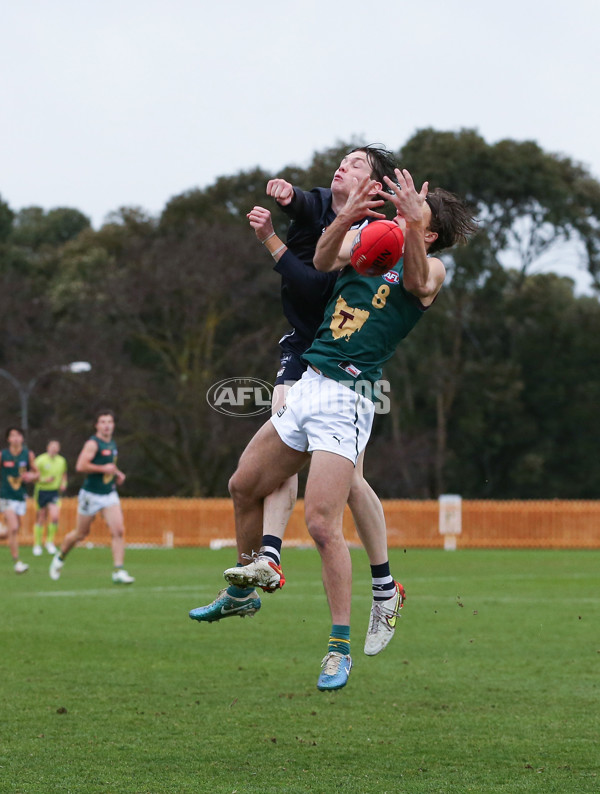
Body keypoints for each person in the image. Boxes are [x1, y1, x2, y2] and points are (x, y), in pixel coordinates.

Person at [194, 168, 476, 690]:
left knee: (323, 524)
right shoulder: (367, 236)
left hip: (350, 398)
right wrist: (346, 217)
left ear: (430, 232)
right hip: (309, 382)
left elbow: (416, 284)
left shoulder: (431, 267)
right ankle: (244, 589)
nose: (399, 214)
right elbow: (322, 260)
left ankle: (338, 649)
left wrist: (412, 226)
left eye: (415, 213)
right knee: (242, 486)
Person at [191, 147, 405, 656]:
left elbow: (311, 285)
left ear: (374, 186)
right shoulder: (330, 205)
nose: (341, 167)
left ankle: (378, 589)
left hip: (342, 373)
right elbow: (310, 203)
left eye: (355, 164)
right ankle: (261, 564)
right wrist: (289, 200)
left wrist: (269, 238)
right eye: (343, 160)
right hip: (304, 356)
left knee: (342, 491)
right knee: (257, 473)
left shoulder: (376, 236)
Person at [49, 410, 134, 584]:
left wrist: (117, 474)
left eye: (109, 421)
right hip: (91, 496)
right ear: (97, 425)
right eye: (103, 422)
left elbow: (108, 466)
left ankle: (118, 571)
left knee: (118, 531)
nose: (107, 425)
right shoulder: (92, 444)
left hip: (109, 494)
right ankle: (60, 557)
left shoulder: (112, 444)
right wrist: (105, 470)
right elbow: (81, 465)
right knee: (81, 533)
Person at [0, 427, 39, 573]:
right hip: (5, 496)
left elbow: (37, 474)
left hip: (19, 497)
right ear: (8, 439)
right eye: (12, 435)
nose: (15, 438)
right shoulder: (3, 455)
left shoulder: (28, 455)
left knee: (10, 532)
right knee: (14, 528)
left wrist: (31, 477)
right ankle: (17, 562)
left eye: (18, 435)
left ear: (22, 438)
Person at [32, 439, 68, 556]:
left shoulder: (61, 461)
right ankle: (37, 544)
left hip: (54, 492)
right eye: (52, 446)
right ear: (48, 447)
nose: (54, 449)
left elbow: (64, 474)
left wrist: (63, 484)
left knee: (55, 516)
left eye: (56, 447)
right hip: (42, 491)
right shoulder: (40, 460)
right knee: (41, 517)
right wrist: (43, 480)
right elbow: (33, 476)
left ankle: (49, 542)